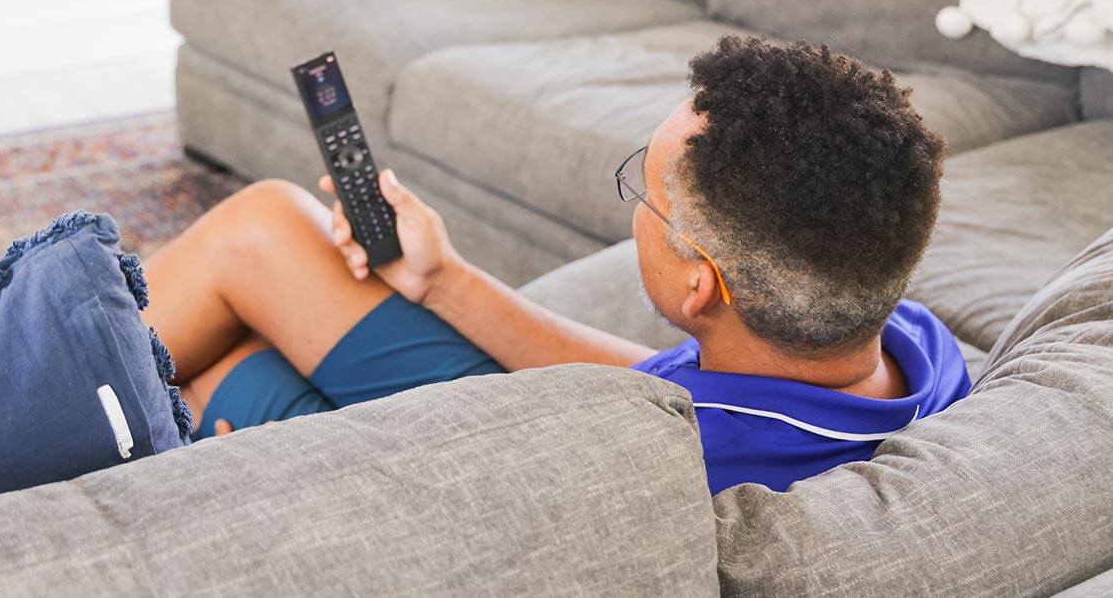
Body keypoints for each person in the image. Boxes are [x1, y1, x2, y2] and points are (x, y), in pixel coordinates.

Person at [139, 36, 971, 494]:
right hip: (542, 418)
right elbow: (666, 387)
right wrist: (445, 279)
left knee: (208, 368)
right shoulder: (920, 351)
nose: (635, 204)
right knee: (264, 231)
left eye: (640, 192)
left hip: (477, 462)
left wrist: (241, 480)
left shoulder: (667, 469)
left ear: (698, 283)